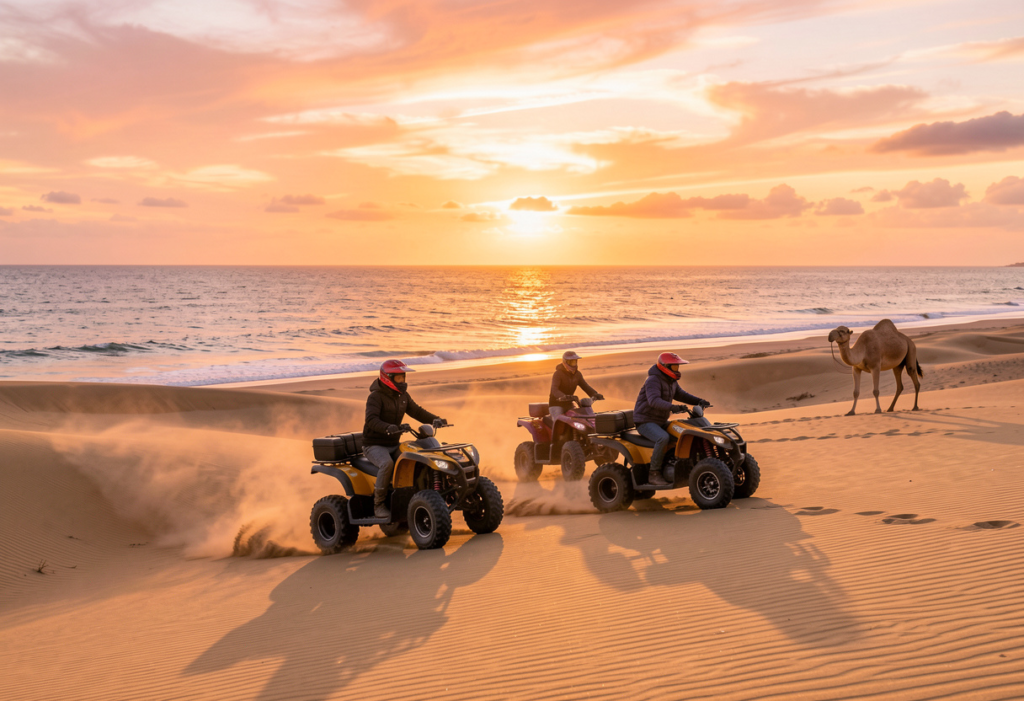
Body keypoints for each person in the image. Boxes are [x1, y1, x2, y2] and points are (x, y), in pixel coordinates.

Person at [363, 359, 446, 518]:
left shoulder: (403, 396)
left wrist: (436, 419)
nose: (402, 381)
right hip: (374, 445)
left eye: (403, 377)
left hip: (394, 443)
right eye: (399, 378)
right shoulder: (375, 397)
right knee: (387, 464)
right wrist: (388, 427)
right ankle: (378, 505)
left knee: (415, 459)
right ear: (388, 378)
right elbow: (371, 420)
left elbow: (417, 412)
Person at [633, 352, 710, 486]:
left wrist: (699, 401)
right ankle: (654, 473)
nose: (677, 370)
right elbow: (653, 401)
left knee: (681, 433)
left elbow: (681, 395)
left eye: (678, 367)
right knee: (662, 438)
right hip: (645, 421)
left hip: (660, 421)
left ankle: (675, 464)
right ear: (665, 366)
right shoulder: (653, 380)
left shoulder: (671, 381)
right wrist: (673, 407)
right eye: (674, 367)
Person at [548, 350, 604, 420]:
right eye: (571, 362)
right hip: (556, 405)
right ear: (565, 362)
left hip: (569, 404)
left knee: (580, 419)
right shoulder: (558, 374)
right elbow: (554, 389)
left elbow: (585, 386)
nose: (573, 364)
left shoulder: (577, 374)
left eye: (574, 361)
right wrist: (563, 396)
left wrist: (595, 394)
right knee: (559, 421)